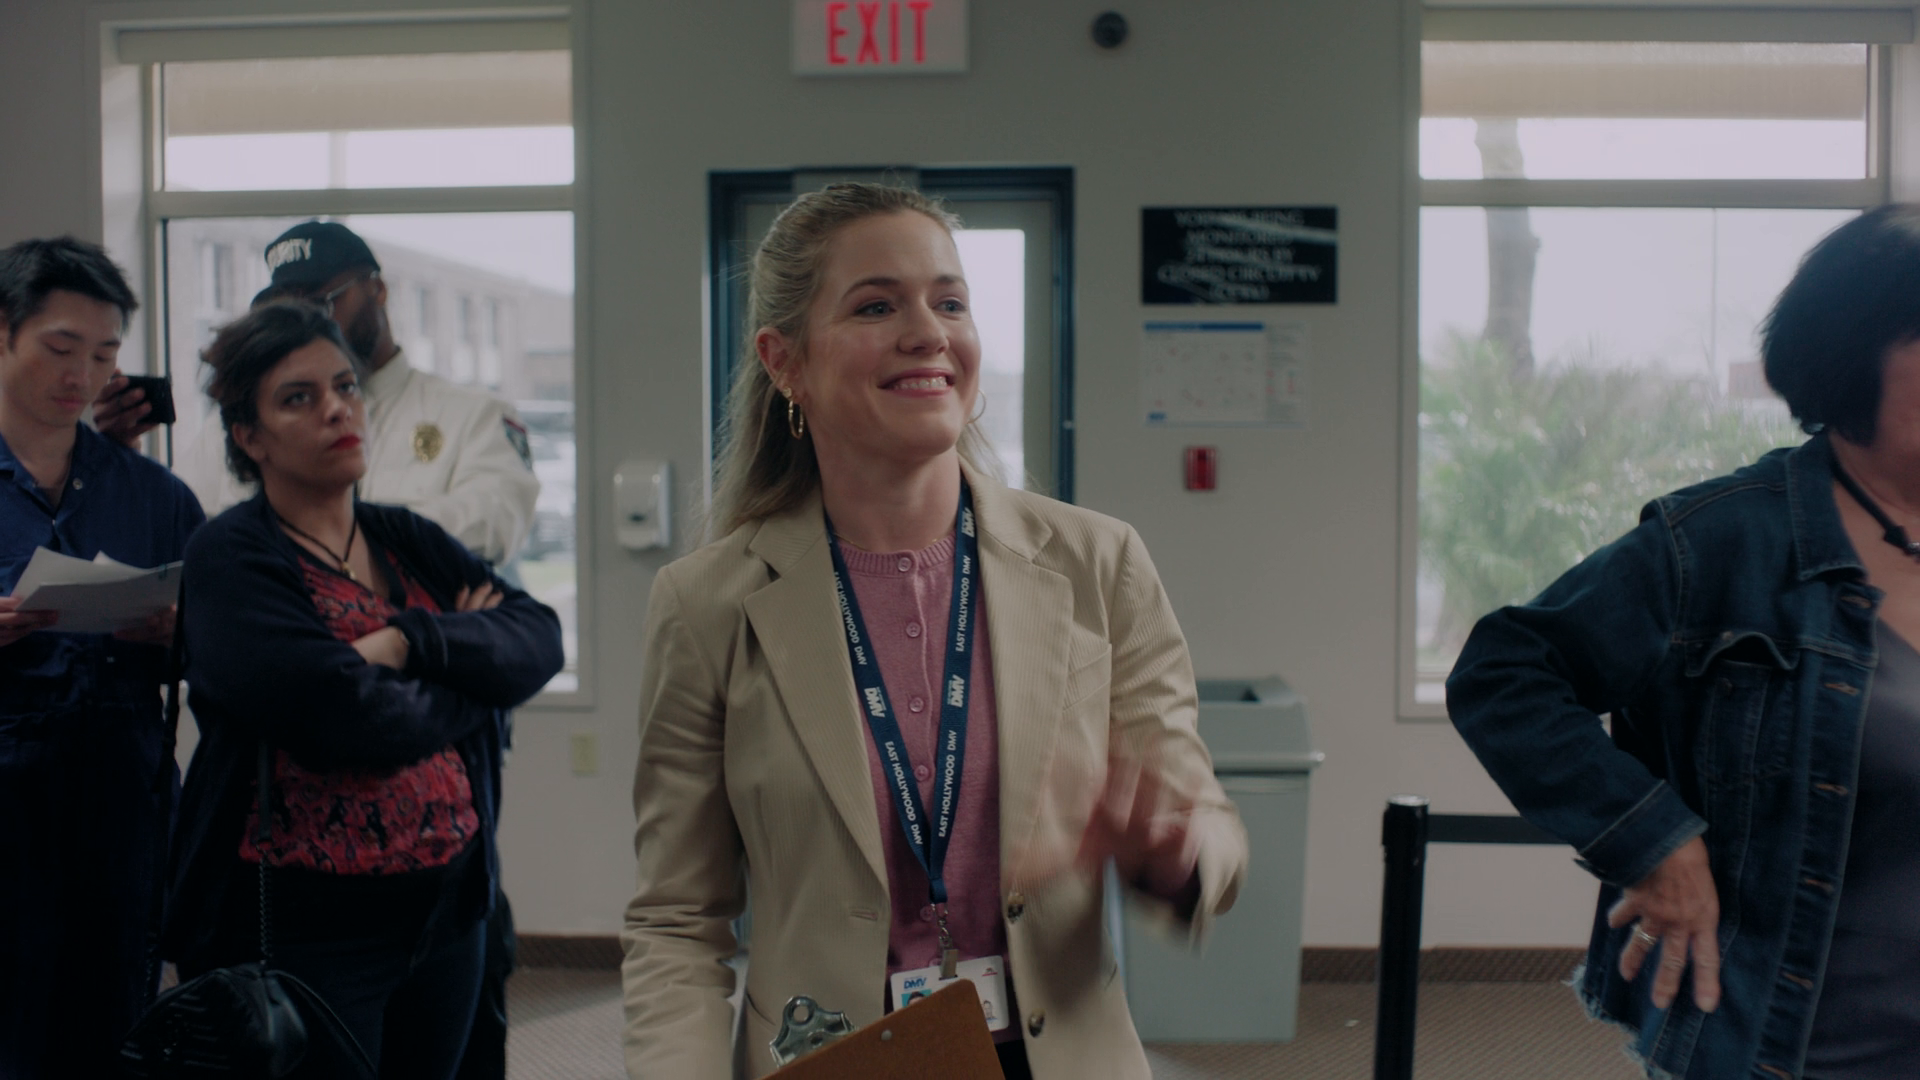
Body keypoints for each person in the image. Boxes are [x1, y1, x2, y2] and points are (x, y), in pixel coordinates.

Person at [619, 183, 1248, 1080]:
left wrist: (1175, 852)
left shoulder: (1098, 564)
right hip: (826, 1057)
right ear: (785, 361)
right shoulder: (707, 605)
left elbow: (1203, 819)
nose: (928, 332)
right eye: (877, 306)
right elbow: (678, 921)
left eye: (950, 302)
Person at [1447, 204, 1920, 1080]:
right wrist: (1652, 838)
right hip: (1792, 1048)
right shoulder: (1722, 542)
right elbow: (1505, 674)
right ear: (1850, 357)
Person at [162, 301, 562, 1079]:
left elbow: (538, 637)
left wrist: (411, 641)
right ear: (249, 436)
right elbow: (345, 718)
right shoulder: (231, 557)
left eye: (345, 386)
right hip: (309, 929)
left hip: (446, 909)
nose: (337, 409)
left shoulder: (402, 537)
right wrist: (472, 680)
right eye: (299, 397)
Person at [0, 237, 205, 1077]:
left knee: (114, 1027)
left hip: (122, 809)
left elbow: (222, 641)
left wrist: (180, 633)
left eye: (103, 354)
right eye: (60, 348)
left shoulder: (154, 495)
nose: (81, 375)